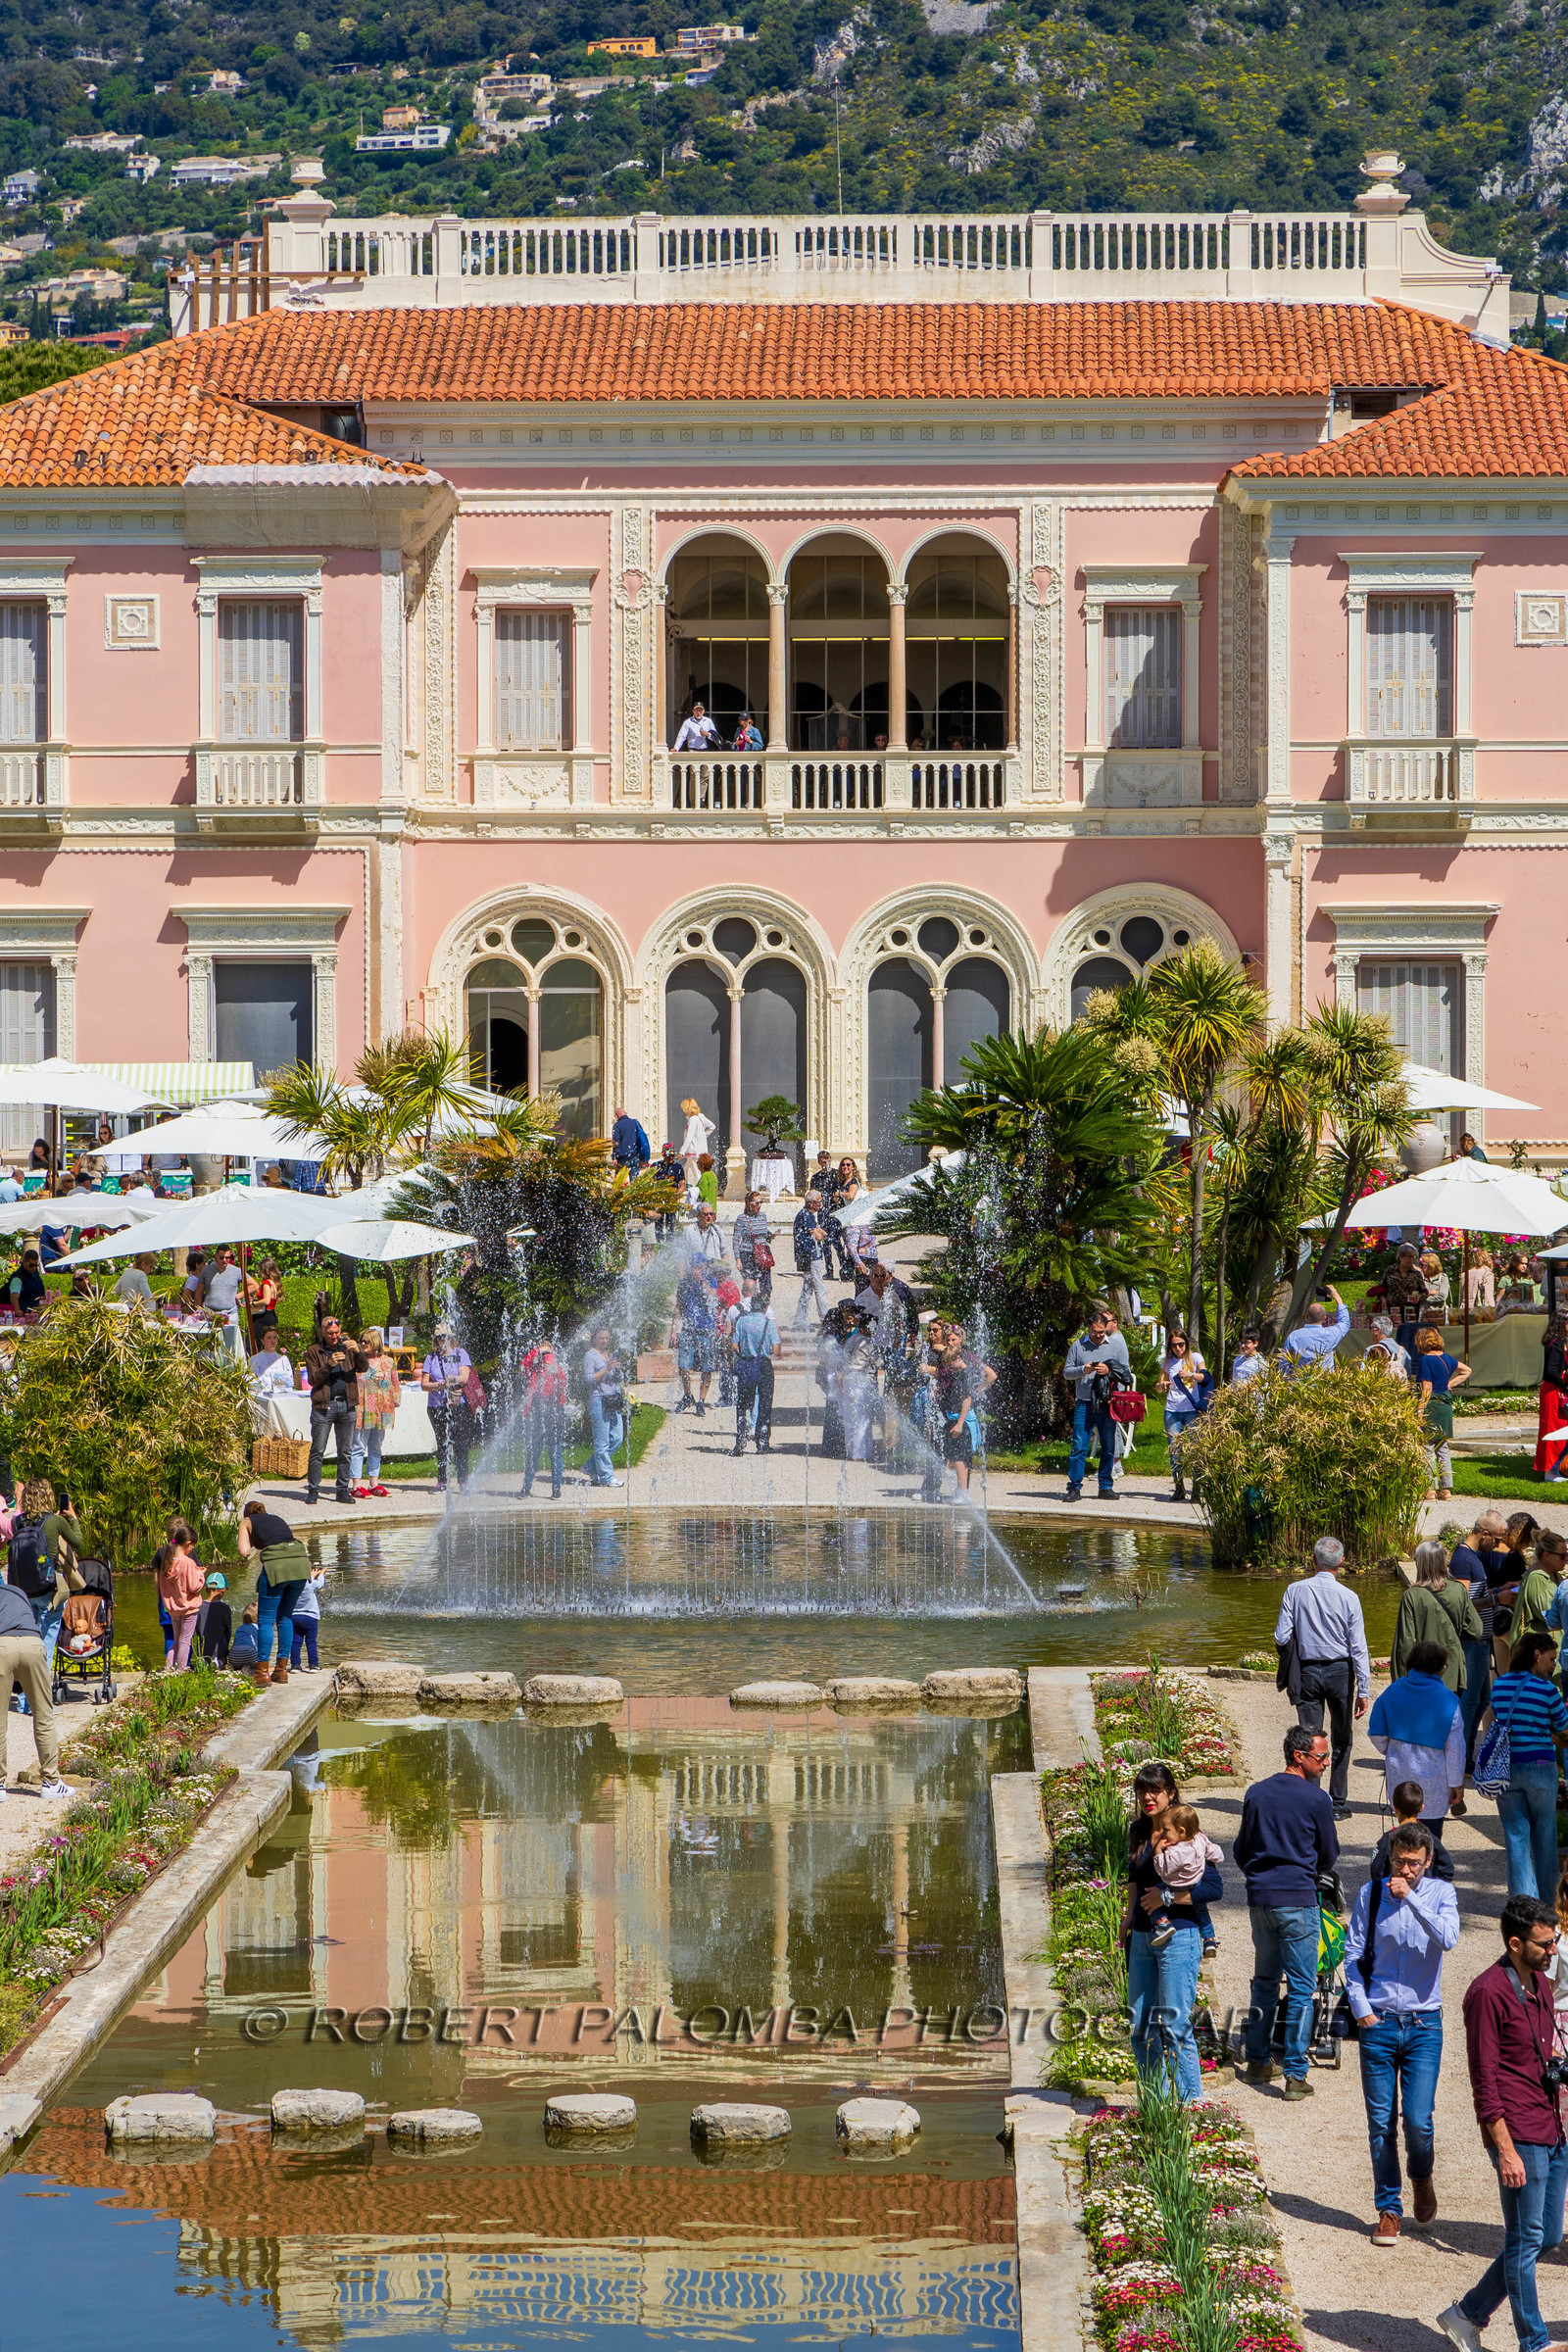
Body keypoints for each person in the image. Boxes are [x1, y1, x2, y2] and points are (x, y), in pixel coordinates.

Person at [1440, 1895, 1566, 2352]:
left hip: (1551, 2125)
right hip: (1518, 2133)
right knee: (1526, 2237)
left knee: (1547, 2235)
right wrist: (1505, 2148)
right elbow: (1484, 2077)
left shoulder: (1541, 1984)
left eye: (1555, 1940)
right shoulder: (1487, 1992)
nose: (1554, 1950)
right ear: (1515, 1943)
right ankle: (1534, 2342)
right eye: (1545, 1943)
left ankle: (1468, 2314)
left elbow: (1533, 2053)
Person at [1344, 1819, 1460, 2245]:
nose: (1404, 1870)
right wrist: (1361, 2009)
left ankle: (1421, 2176)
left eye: (1412, 1863)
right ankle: (1388, 2208)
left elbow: (1448, 1939)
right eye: (1398, 1862)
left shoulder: (1441, 1894)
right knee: (1380, 2123)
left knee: (1417, 2119)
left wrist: (1411, 1899)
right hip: (1377, 2021)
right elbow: (1352, 1954)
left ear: (1427, 1862)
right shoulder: (1370, 1894)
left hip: (1424, 2022)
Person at [1235, 1723, 1339, 2098]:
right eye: (1321, 1756)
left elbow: (1241, 1851)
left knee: (1264, 1982)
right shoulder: (1317, 1801)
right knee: (1300, 1987)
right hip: (1297, 1899)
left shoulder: (1256, 1793)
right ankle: (1295, 2074)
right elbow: (1328, 1856)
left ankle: (1258, 2060)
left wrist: (1260, 1876)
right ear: (1300, 1756)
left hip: (1261, 1900)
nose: (1326, 1763)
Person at [1120, 1759, 1221, 2105]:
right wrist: (1128, 1916)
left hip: (1179, 1935)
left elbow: (1213, 1887)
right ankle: (1156, 2105)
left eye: (1155, 1790)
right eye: (1142, 1791)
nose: (1148, 1797)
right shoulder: (1137, 1831)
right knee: (1140, 2026)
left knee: (1174, 2027)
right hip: (1144, 1937)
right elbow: (1134, 1878)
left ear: (1170, 1793)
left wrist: (1166, 1896)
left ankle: (1192, 2106)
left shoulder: (1182, 1828)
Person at [1274, 1534, 1371, 1816]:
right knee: (1341, 1738)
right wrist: (1363, 1689)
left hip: (1306, 1671)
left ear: (1313, 1560)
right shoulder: (1350, 1597)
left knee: (1308, 1739)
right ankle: (1338, 1803)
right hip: (1340, 1671)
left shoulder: (1294, 1590)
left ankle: (1311, 1801)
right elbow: (1359, 1647)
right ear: (1341, 1562)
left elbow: (1281, 1636)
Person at [1368, 1640, 1466, 1869]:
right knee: (1431, 1837)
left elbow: (1376, 1733)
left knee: (1403, 1832)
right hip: (1433, 1779)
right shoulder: (1449, 1700)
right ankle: (1427, 1877)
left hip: (1399, 1773)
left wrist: (1391, 1751)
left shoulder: (1392, 1692)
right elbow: (1455, 1749)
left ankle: (1400, 1872)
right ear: (1441, 1668)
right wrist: (1456, 1784)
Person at [1489, 1630, 1568, 1898]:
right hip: (1540, 1767)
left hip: (1507, 1769)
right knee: (1545, 1837)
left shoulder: (1500, 1686)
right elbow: (1562, 1727)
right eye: (1551, 1658)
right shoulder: (1547, 1690)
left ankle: (1522, 1902)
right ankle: (1548, 1901)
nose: (1553, 1664)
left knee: (1516, 1839)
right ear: (1536, 1655)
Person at [0, 1579, 68, 1798]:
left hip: (2, 1645)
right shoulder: (18, 1592)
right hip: (32, 1643)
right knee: (43, 1716)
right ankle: (51, 1782)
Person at [235, 1498, 312, 1689]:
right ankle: (281, 1670)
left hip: (277, 1566)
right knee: (285, 1617)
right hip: (301, 1565)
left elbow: (244, 1551)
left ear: (247, 1514)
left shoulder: (246, 1521)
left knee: (266, 1620)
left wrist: (247, 1536)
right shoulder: (276, 1518)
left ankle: (261, 1673)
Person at [1393, 1541, 1484, 1695]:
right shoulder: (1459, 1590)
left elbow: (1405, 1644)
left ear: (1420, 1564)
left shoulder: (1411, 1596)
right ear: (1443, 1562)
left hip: (1421, 1675)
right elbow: (1476, 1630)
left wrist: (1400, 1681)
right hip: (1453, 1674)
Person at [1063, 1303, 1133, 1502]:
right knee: (1079, 1445)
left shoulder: (1116, 1346)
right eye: (1095, 1332)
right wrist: (1083, 1370)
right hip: (1084, 1402)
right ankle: (1074, 1487)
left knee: (1108, 1445)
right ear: (1088, 1328)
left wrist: (1109, 1371)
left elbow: (1126, 1373)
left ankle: (1105, 1485)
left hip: (1107, 1402)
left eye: (1102, 1333)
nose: (1098, 1336)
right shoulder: (1078, 1346)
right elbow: (1067, 1372)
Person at [1455, 1512, 1506, 1770]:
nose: (1498, 1546)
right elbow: (1461, 1604)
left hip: (1482, 1640)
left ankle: (1464, 1753)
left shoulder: (1473, 1558)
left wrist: (1498, 1590)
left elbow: (1476, 1594)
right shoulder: (1463, 1560)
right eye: (1496, 1540)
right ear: (1484, 1534)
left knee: (1484, 1697)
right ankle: (1461, 1759)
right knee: (1471, 1700)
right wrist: (1497, 1600)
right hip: (1472, 1641)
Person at [303, 1315, 369, 1506]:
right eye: (331, 1333)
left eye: (337, 1333)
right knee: (318, 1450)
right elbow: (313, 1380)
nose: (334, 1336)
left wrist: (358, 1352)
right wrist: (330, 1364)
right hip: (324, 1406)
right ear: (323, 1332)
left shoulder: (347, 1348)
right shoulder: (315, 1351)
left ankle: (342, 1490)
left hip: (347, 1405)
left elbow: (363, 1368)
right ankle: (313, 1489)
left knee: (346, 1451)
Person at [1148, 1801, 1222, 1955]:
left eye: (1166, 1830)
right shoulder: (1200, 1839)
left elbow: (1162, 1870)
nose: (1163, 1833)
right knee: (1201, 1909)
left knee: (1149, 1901)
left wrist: (1158, 1851)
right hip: (1196, 1883)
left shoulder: (1176, 1852)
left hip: (1176, 1886)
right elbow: (1215, 1853)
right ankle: (1209, 1939)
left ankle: (1163, 1924)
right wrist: (1216, 1857)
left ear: (1181, 1832)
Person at [1413, 1323, 1470, 1501]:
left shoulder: (1425, 1360)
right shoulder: (1446, 1358)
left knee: (1427, 1447)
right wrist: (1449, 1385)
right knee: (1442, 1447)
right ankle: (1446, 1490)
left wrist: (1419, 1411)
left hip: (1432, 1406)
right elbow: (1467, 1371)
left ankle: (1429, 1489)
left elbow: (1427, 1389)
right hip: (1445, 1405)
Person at [1156, 1327, 1212, 1502]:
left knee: (1195, 1448)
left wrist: (1191, 1374)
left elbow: (1206, 1377)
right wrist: (1161, 1386)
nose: (1178, 1348)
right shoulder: (1168, 1361)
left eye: (1181, 1344)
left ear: (1186, 1344)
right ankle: (1179, 1487)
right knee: (1174, 1450)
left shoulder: (1195, 1358)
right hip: (1172, 1409)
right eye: (1174, 1345)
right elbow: (1158, 1385)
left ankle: (1197, 1488)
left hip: (1191, 1409)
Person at [420, 1324, 476, 1492]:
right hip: (436, 1405)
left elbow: (464, 1377)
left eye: (445, 1336)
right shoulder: (431, 1357)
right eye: (439, 1337)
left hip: (456, 1404)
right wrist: (438, 1385)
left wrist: (450, 1380)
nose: (442, 1340)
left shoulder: (460, 1353)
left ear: (451, 1338)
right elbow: (424, 1384)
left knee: (460, 1442)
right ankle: (442, 1480)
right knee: (442, 1443)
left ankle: (463, 1481)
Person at [1371, 1779, 1456, 1884]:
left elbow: (1376, 1867)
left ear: (1395, 1808)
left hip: (1394, 1893)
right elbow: (1447, 1868)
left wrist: (1383, 1887)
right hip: (1423, 1896)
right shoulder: (1430, 1837)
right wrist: (1434, 1888)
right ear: (1421, 1808)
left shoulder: (1388, 1838)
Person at [349, 1327, 400, 1497]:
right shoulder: (359, 1361)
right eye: (362, 1341)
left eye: (367, 1341)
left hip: (382, 1408)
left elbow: (395, 1382)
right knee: (358, 1446)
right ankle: (356, 1484)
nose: (363, 1344)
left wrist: (396, 1400)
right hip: (363, 1408)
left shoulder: (389, 1362)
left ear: (375, 1342)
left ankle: (374, 1483)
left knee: (376, 1447)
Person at [730, 1280, 779, 1455]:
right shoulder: (769, 1323)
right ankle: (762, 1440)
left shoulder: (742, 1322)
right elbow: (776, 1350)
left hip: (745, 1363)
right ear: (765, 1308)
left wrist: (744, 1351)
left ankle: (741, 1440)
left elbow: (734, 1345)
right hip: (764, 1365)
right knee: (765, 1403)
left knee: (743, 1403)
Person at [155, 1518, 205, 1671]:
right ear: (187, 1543)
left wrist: (160, 1599)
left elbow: (158, 1581)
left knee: (175, 1640)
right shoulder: (187, 1561)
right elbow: (194, 1586)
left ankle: (168, 1668)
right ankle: (182, 1669)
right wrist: (201, 1575)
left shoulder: (165, 1559)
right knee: (185, 1640)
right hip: (187, 1607)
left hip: (171, 1607)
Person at [519, 1340, 568, 1498]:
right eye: (543, 1354)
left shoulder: (558, 1370)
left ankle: (556, 1489)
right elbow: (522, 1366)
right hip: (536, 1413)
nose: (545, 1357)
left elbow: (563, 1386)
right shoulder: (533, 1371)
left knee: (555, 1452)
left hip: (554, 1415)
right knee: (533, 1452)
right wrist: (537, 1350)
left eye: (548, 1353)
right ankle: (526, 1488)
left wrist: (553, 1368)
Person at [581, 1326, 625, 1489]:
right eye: (601, 1338)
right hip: (599, 1401)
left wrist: (617, 1370)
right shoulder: (589, 1356)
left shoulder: (608, 1355)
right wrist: (606, 1369)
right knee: (602, 1442)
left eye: (606, 1338)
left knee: (618, 1437)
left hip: (613, 1400)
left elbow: (619, 1378)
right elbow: (588, 1380)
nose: (604, 1341)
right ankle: (606, 1477)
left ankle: (590, 1467)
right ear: (595, 1338)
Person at [671, 1262, 717, 1416]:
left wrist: (702, 1282)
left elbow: (713, 1296)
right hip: (688, 1330)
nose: (696, 1270)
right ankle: (687, 1395)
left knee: (707, 1367)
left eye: (699, 1267)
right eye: (694, 1267)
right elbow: (678, 1306)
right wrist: (674, 1330)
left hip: (706, 1331)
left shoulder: (710, 1280)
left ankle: (701, 1401)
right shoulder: (684, 1283)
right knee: (683, 1365)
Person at [1279, 1284, 1351, 1376]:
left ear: (1306, 1317)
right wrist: (1337, 1297)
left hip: (1300, 1386)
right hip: (1323, 1386)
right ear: (1324, 1318)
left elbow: (1284, 1364)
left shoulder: (1294, 1336)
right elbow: (1345, 1323)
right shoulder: (1330, 1334)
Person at [793, 1190, 831, 1325]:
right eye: (818, 1202)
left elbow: (820, 1232)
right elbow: (819, 1235)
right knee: (819, 1288)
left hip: (808, 1256)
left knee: (807, 1289)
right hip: (811, 1256)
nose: (821, 1204)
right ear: (811, 1203)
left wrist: (820, 1232)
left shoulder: (808, 1215)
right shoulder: (805, 1216)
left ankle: (799, 1318)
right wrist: (820, 1232)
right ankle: (825, 1318)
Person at [1537, 1316, 1568, 1482]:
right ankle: (1550, 1471)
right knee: (1553, 1430)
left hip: (1555, 1390)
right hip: (1553, 1392)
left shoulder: (1556, 1342)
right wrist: (1565, 1384)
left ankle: (1557, 1468)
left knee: (1559, 1429)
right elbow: (1551, 1371)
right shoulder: (1555, 1343)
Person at [1386, 1246, 1430, 1359]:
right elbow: (1381, 1288)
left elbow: (1424, 1291)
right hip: (1394, 1313)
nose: (1412, 1259)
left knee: (1410, 1340)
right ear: (1400, 1257)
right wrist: (1382, 1298)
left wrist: (1420, 1297)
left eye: (1414, 1257)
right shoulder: (1390, 1271)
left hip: (1411, 1314)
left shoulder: (1416, 1273)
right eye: (1409, 1257)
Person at [733, 1191, 774, 1307]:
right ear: (748, 1203)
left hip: (762, 1254)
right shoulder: (742, 1218)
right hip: (748, 1255)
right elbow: (736, 1240)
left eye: (761, 1202)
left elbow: (764, 1235)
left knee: (767, 1286)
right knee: (750, 1285)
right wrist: (738, 1259)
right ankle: (749, 1309)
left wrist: (770, 1236)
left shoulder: (763, 1216)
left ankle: (764, 1309)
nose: (759, 1205)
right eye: (757, 1203)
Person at [289, 1564, 325, 1671]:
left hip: (295, 1616)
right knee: (311, 1642)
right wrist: (321, 1574)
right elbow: (320, 1584)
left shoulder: (291, 1585)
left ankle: (295, 1665)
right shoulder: (311, 1583)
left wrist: (310, 1576)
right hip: (310, 1617)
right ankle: (313, 1665)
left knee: (295, 1642)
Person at [679, 1098, 717, 1194]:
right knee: (687, 1170)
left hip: (694, 1151)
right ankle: (688, 1188)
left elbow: (689, 1137)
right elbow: (712, 1126)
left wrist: (681, 1152)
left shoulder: (693, 1119)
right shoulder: (701, 1117)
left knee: (695, 1173)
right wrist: (702, 1136)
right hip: (700, 1150)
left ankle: (698, 1191)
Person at [249, 1323, 295, 1400]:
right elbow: (253, 1381)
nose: (273, 1340)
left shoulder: (283, 1359)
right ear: (262, 1340)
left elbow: (289, 1379)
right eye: (269, 1338)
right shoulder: (255, 1359)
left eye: (275, 1337)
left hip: (283, 1396)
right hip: (264, 1397)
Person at [195, 1572, 231, 1668]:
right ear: (223, 1589)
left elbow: (197, 1630)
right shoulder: (225, 1608)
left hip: (202, 1651)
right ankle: (218, 1663)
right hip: (220, 1652)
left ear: (206, 1588)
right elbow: (228, 1633)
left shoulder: (198, 1607)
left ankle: (203, 1661)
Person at [611, 1104, 651, 1176]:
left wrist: (614, 1157)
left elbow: (615, 1142)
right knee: (634, 1182)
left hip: (622, 1158)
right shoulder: (635, 1122)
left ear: (617, 1116)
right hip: (635, 1156)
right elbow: (641, 1138)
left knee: (620, 1182)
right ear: (625, 1113)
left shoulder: (617, 1126)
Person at [7, 1248, 44, 1313]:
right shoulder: (17, 1278)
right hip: (24, 1313)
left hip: (36, 1312)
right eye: (31, 1265)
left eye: (36, 1265)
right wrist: (17, 1310)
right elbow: (14, 1296)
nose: (34, 1268)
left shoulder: (36, 1275)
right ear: (24, 1261)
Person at [227, 1601, 262, 1671]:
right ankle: (248, 1667)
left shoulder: (239, 1628)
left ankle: (234, 1666)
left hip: (233, 1655)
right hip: (249, 1654)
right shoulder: (258, 1628)